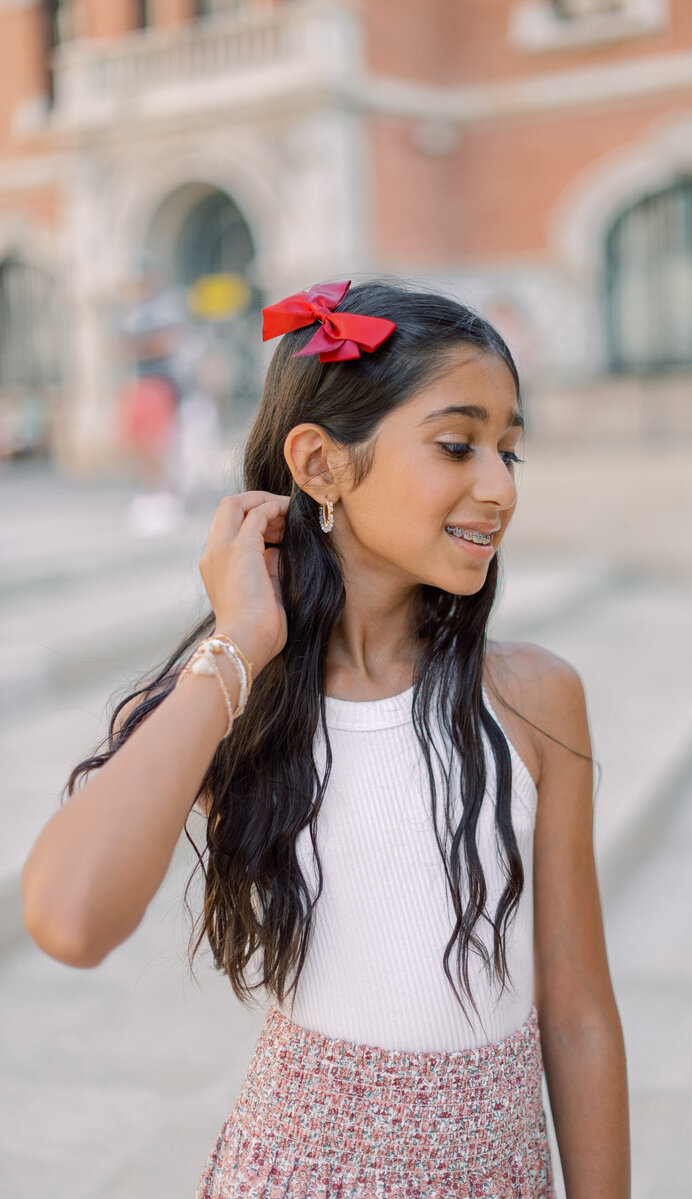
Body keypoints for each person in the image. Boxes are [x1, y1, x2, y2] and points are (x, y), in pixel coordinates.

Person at [20, 280, 630, 1197]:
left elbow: (578, 1012)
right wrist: (238, 644)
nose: (499, 487)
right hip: (295, 1167)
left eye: (509, 451)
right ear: (320, 463)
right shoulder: (233, 698)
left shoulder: (537, 697)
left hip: (499, 1171)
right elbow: (68, 919)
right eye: (458, 445)